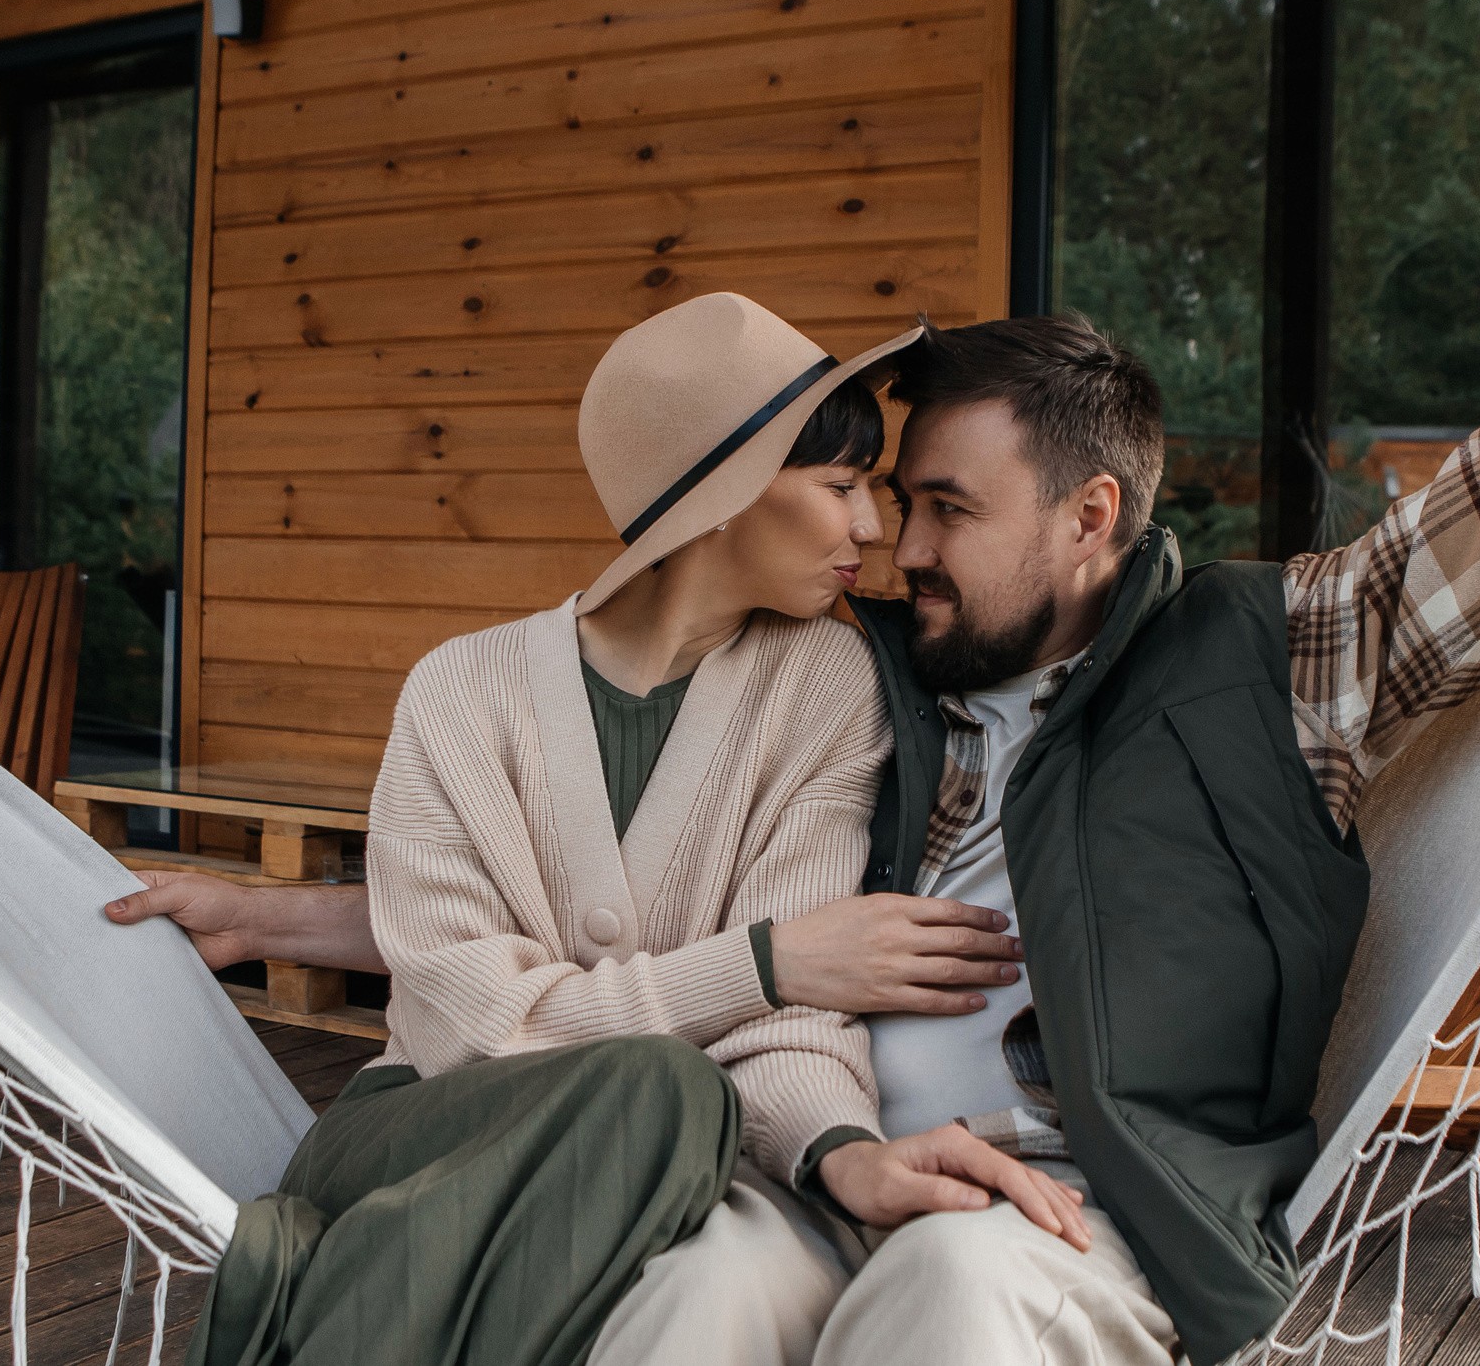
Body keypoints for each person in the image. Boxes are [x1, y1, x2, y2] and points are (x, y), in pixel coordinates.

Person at [124, 0, 1480, 1366]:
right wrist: (292, 908)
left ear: (1091, 519)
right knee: (679, 1307)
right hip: (803, 1159)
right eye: (884, 502)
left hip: (1050, 1219)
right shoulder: (857, 684)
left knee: (952, 1314)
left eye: (940, 512)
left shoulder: (1282, 662)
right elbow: (612, 880)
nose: (896, 544)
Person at [184, 292, 1085, 1366]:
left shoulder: (828, 685)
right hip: (417, 1129)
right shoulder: (460, 690)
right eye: (840, 485)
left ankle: (311, 1303)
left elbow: (794, 1007)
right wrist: (758, 963)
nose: (873, 528)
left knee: (668, 1106)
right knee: (666, 1087)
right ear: (721, 494)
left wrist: (835, 1143)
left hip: (642, 1156)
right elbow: (479, 1029)